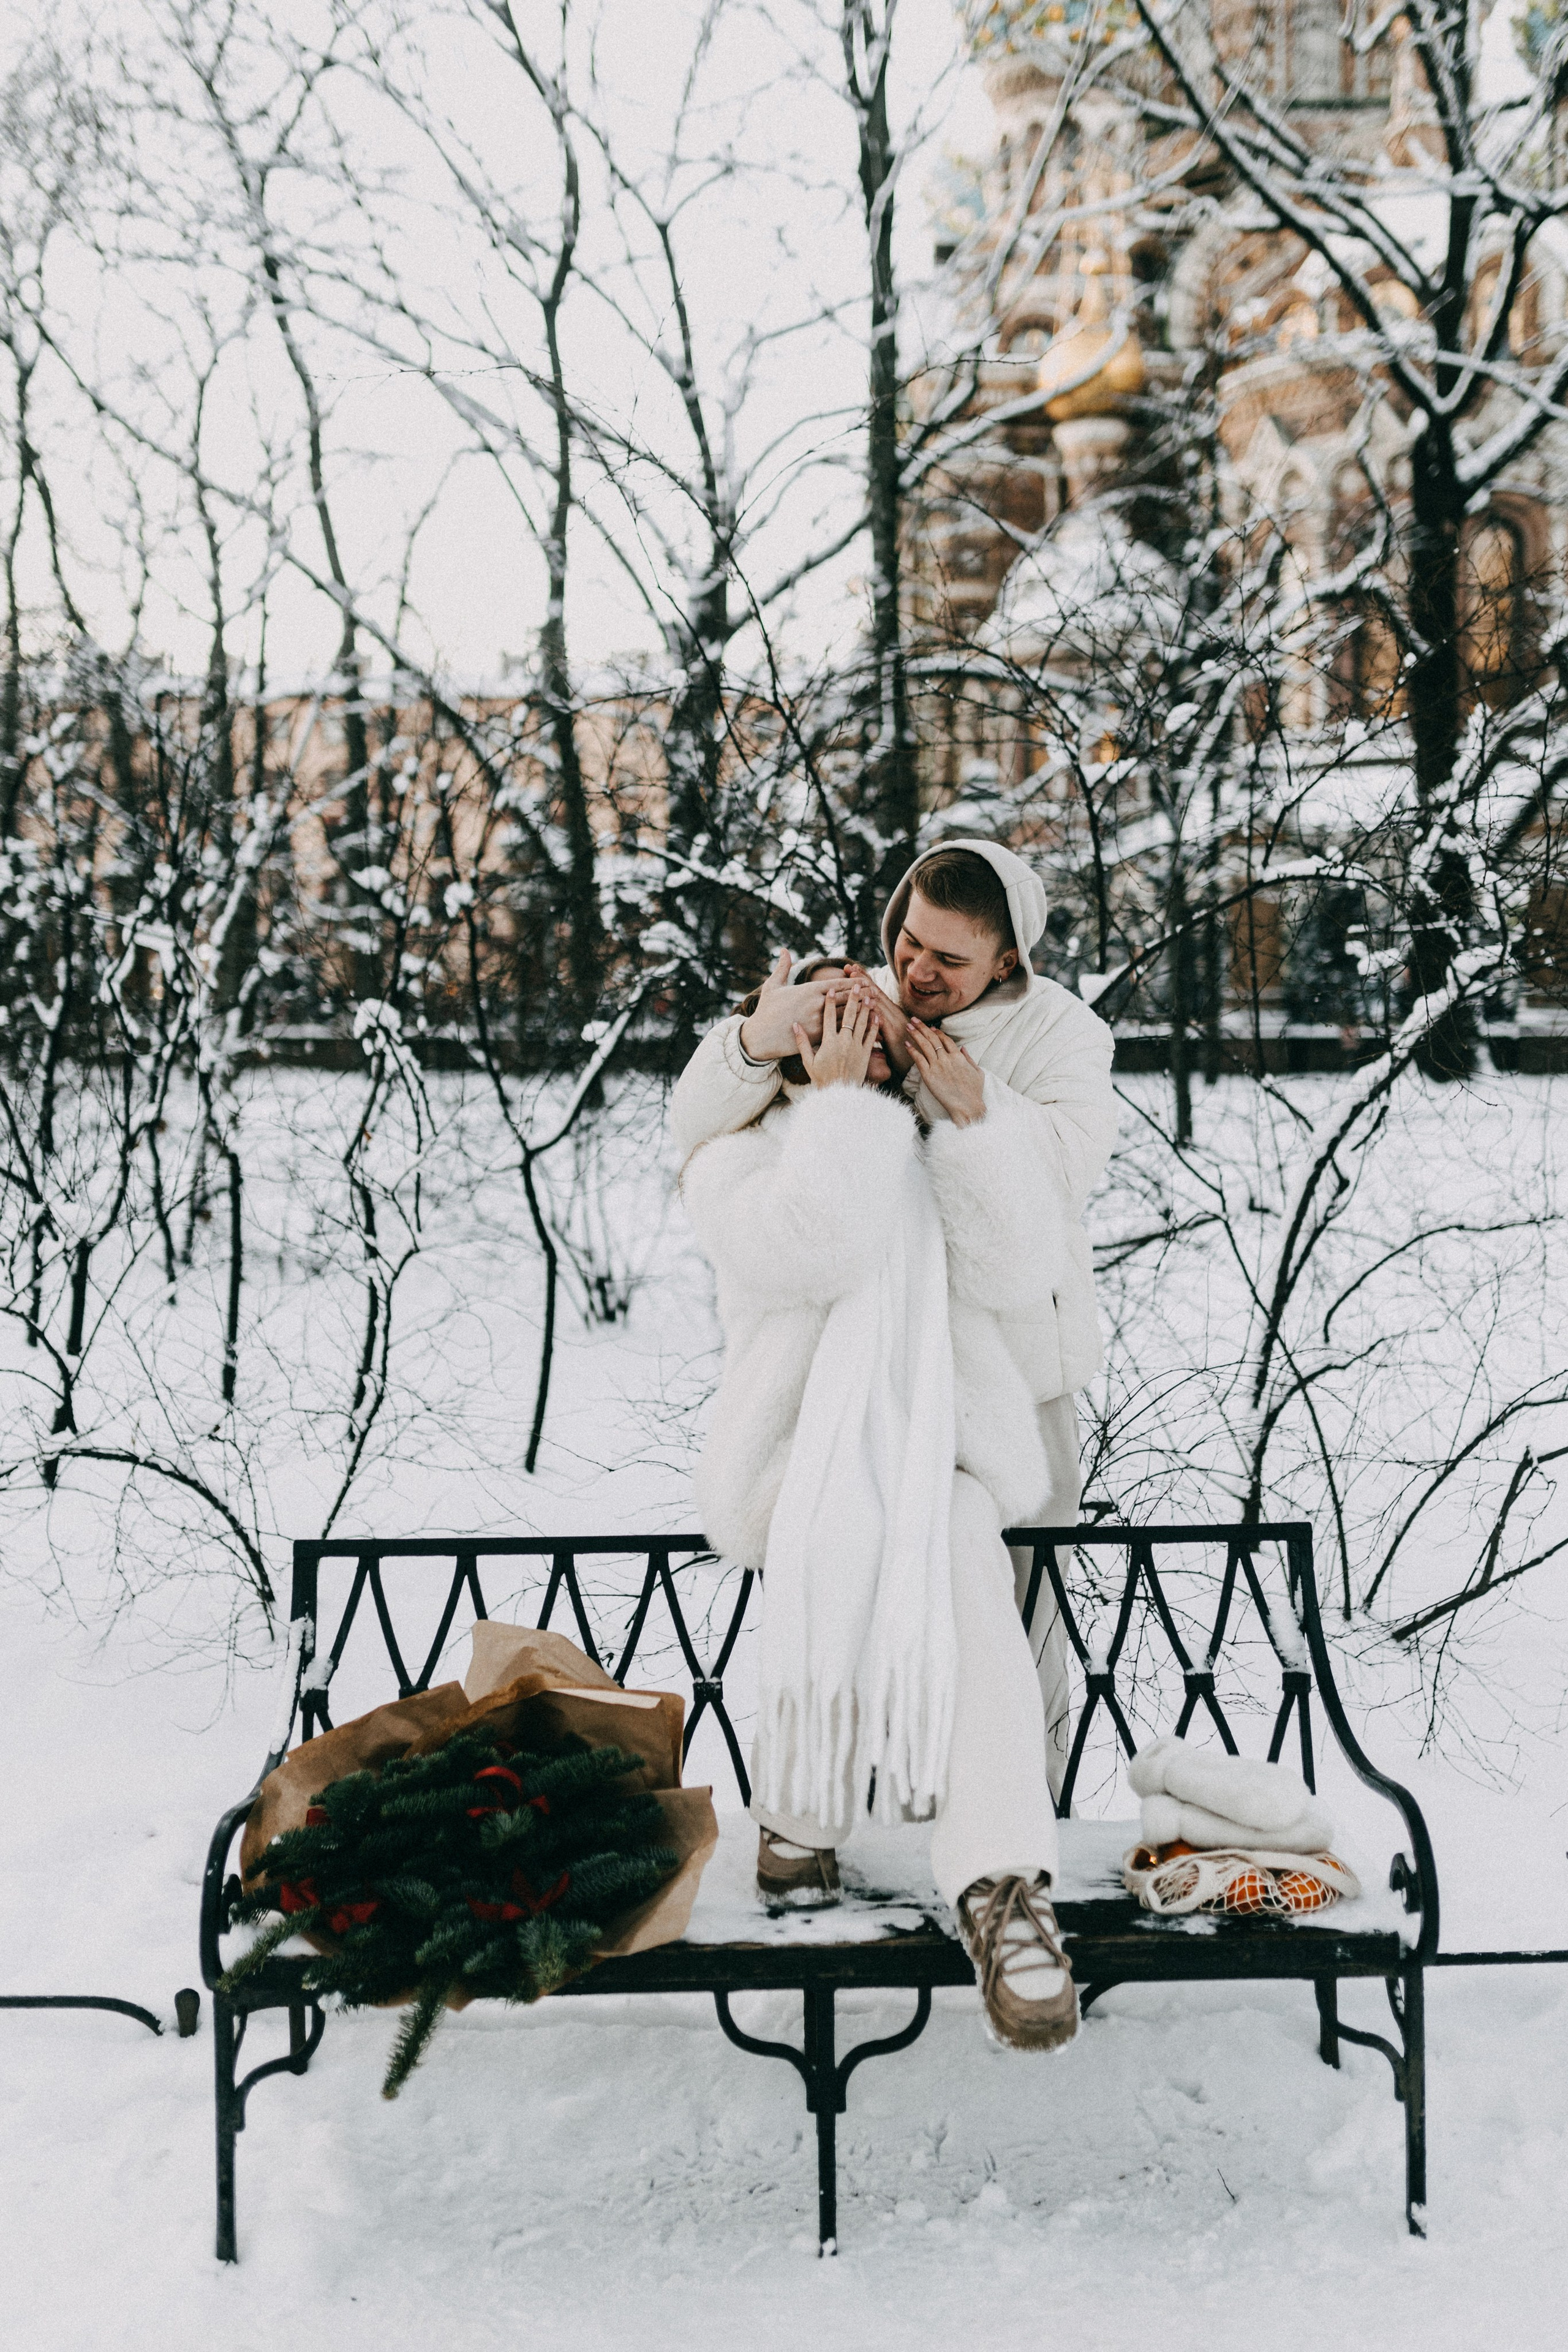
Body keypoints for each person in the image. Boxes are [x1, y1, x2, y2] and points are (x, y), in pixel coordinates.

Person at [673, 841, 1117, 2054]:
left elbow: (1024, 1265)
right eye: (861, 994)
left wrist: (971, 1129)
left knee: (958, 1535)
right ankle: (822, 1811)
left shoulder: (989, 1104)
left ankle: (995, 1886)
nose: (894, 994)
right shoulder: (746, 1153)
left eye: (931, 970)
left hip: (960, 1443)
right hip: (799, 1450)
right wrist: (824, 1101)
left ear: (1003, 962)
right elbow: (809, 1243)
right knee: (849, 1515)